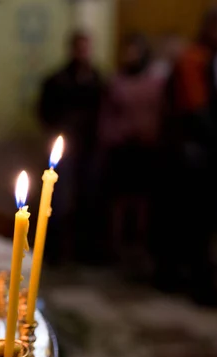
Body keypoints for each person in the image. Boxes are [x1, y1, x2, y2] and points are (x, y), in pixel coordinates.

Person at [152, 7, 217, 305]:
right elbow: (195, 111)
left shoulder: (207, 58)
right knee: (191, 221)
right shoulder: (193, 59)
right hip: (188, 154)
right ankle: (193, 283)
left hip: (196, 151)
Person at [98, 34, 164, 271]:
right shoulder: (116, 81)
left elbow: (160, 111)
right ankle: (117, 247)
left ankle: (141, 246)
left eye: (135, 50)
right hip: (122, 148)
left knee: (143, 201)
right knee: (120, 200)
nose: (130, 55)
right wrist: (111, 138)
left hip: (147, 147)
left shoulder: (156, 81)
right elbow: (108, 115)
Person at [38, 31, 103, 264]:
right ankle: (55, 252)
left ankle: (83, 251)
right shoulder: (57, 80)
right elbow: (45, 112)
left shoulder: (96, 78)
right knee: (58, 199)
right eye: (79, 48)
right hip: (66, 147)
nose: (83, 53)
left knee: (87, 197)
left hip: (88, 148)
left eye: (86, 48)